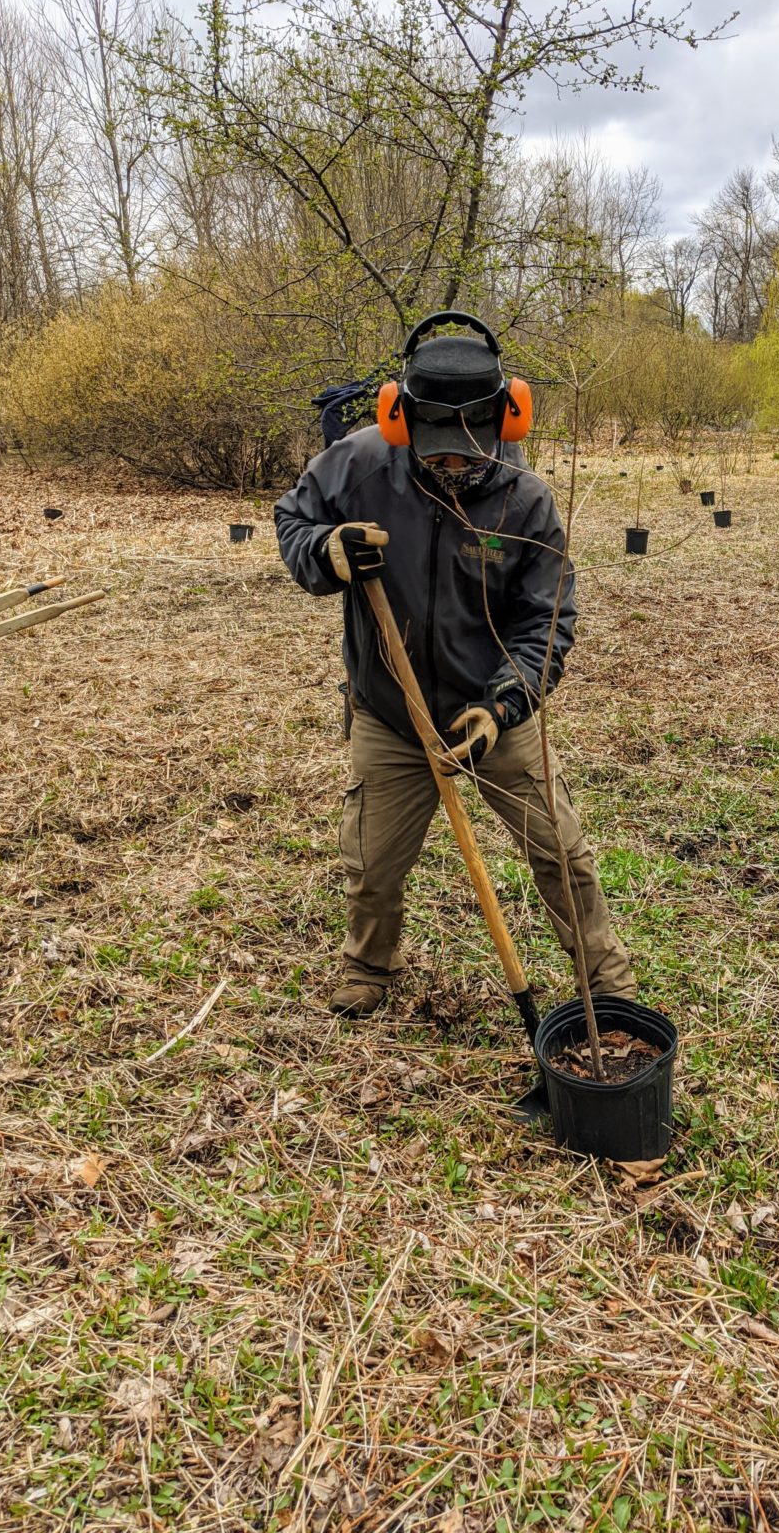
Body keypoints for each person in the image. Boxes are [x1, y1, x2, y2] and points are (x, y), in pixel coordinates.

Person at [274, 311, 635, 1028]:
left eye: (469, 449)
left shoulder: (526, 500)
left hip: (493, 713)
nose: (452, 464)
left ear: (508, 419)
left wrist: (503, 705)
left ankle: (608, 985)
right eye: (437, 449)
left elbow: (546, 622)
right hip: (390, 713)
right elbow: (293, 521)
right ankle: (367, 966)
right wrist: (325, 551)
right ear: (400, 418)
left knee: (562, 854)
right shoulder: (357, 463)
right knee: (371, 865)